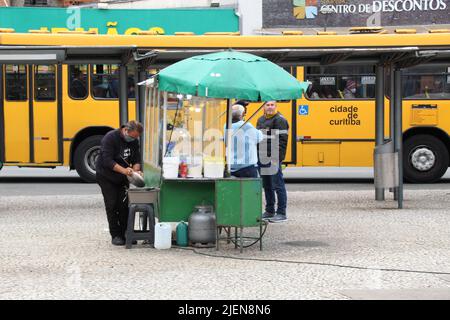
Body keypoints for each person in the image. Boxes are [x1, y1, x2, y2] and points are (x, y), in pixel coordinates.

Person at [96, 120, 143, 246]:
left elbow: (136, 158)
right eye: (132, 137)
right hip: (106, 175)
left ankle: (126, 233)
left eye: (136, 138)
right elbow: (107, 161)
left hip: (123, 177)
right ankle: (116, 235)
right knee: (111, 204)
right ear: (126, 130)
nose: (133, 139)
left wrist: (136, 171)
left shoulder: (134, 141)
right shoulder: (110, 138)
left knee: (123, 205)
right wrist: (125, 171)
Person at [257, 101, 289, 223]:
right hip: (263, 156)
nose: (270, 107)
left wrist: (278, 158)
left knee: (277, 185)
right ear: (264, 107)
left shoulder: (280, 120)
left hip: (274, 157)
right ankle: (269, 210)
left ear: (276, 107)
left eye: (272, 105)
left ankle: (281, 212)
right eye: (268, 105)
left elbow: (283, 141)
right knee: (267, 185)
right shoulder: (260, 120)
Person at [226, 104, 263, 178]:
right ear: (243, 114)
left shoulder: (226, 126)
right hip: (247, 167)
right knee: (250, 189)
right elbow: (259, 137)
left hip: (232, 165)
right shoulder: (246, 125)